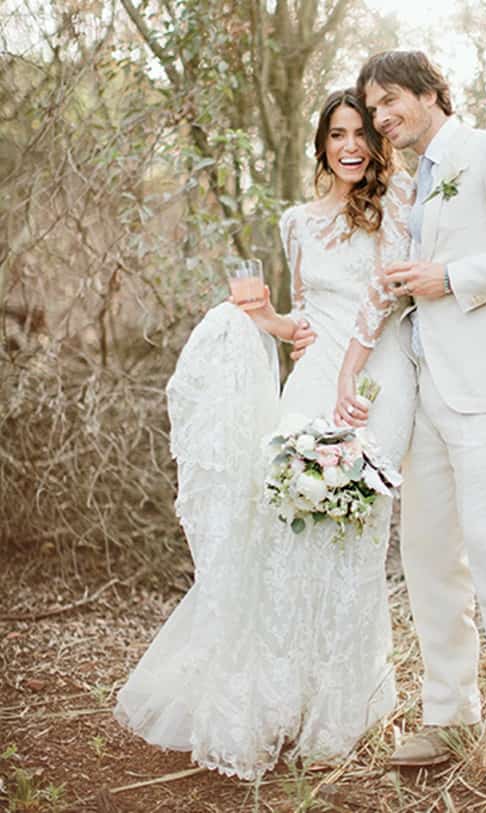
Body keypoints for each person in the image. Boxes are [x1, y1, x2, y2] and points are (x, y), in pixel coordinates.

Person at [113, 88, 416, 779]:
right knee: (283, 527)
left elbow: (387, 297)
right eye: (336, 133)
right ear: (321, 142)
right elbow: (304, 311)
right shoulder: (296, 222)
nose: (349, 145)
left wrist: (350, 377)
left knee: (356, 529)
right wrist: (263, 319)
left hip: (376, 379)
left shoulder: (399, 204)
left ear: (377, 142)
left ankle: (339, 709)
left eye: (360, 133)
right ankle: (277, 698)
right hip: (310, 379)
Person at [306, 51, 486, 793]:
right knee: (427, 557)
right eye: (372, 108)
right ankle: (452, 713)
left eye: (390, 102)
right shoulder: (407, 183)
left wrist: (449, 278)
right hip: (424, 391)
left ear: (428, 92)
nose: (382, 118)